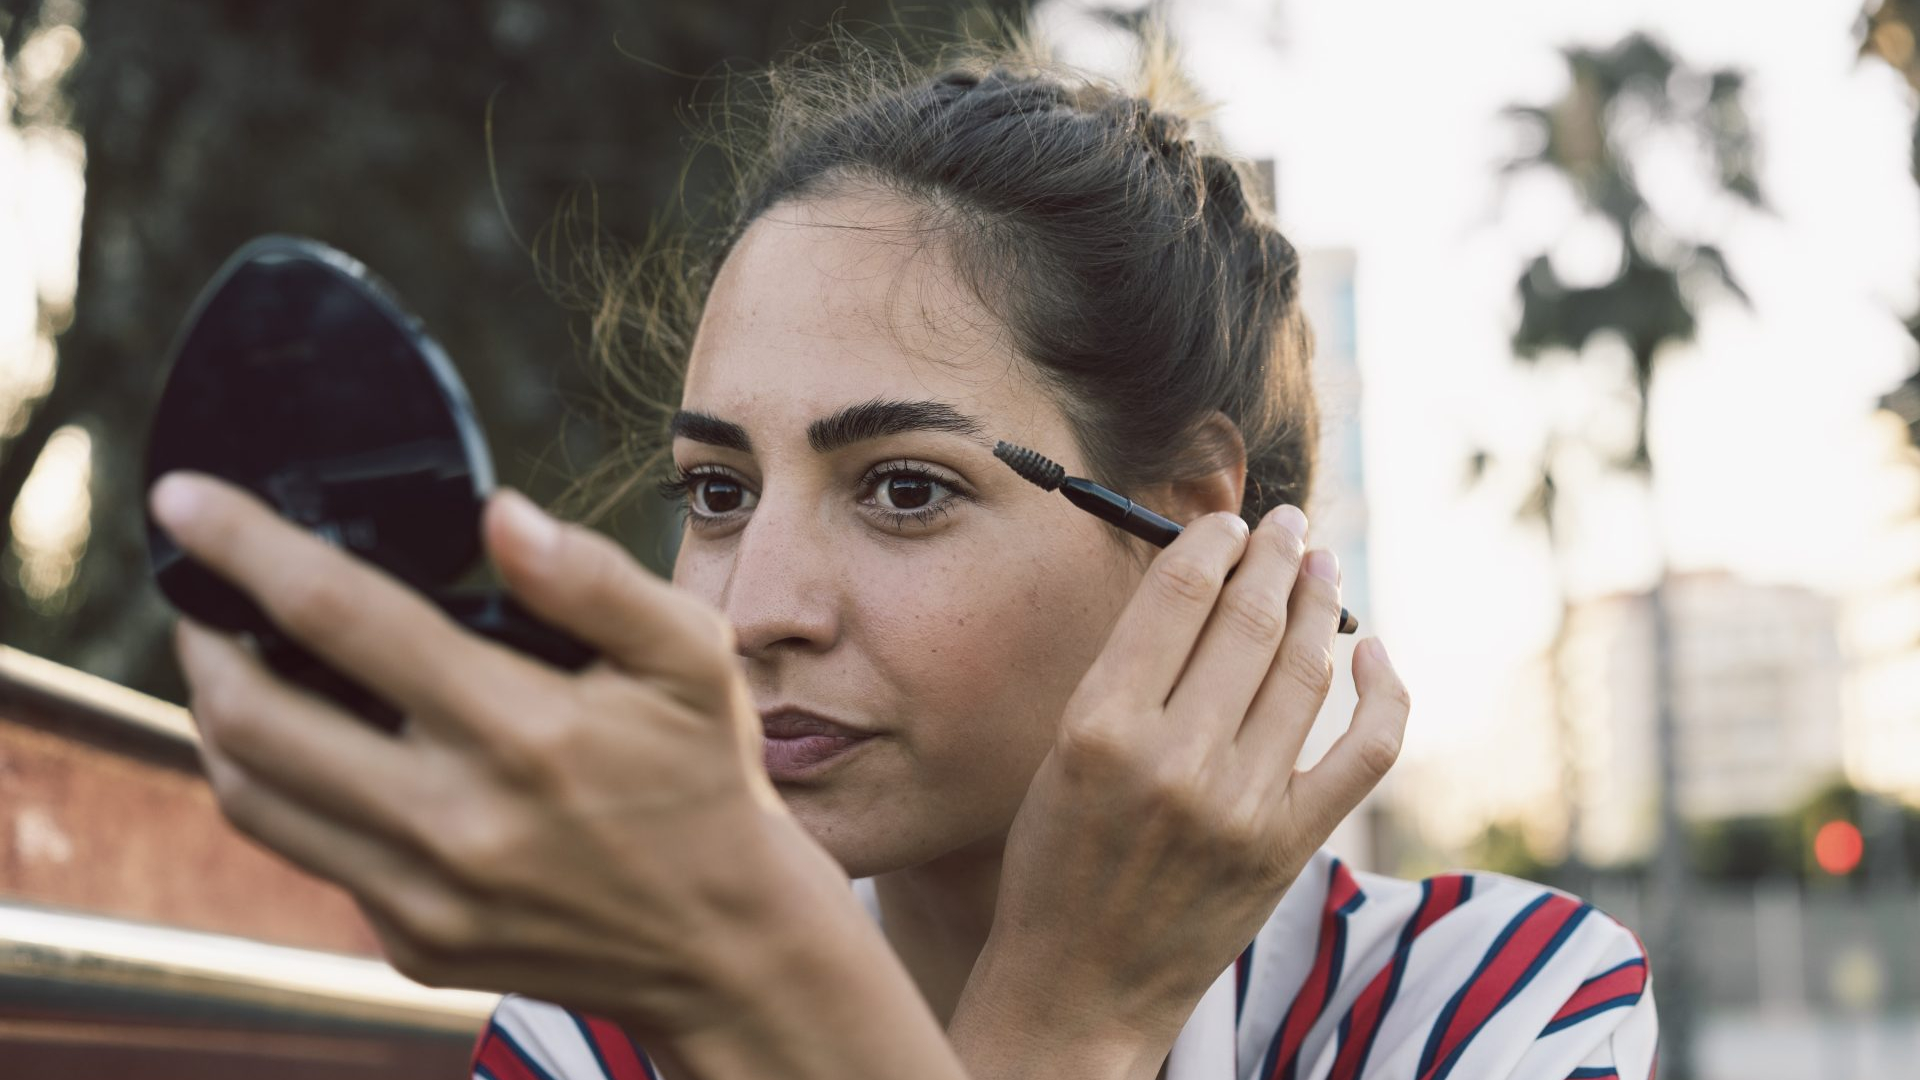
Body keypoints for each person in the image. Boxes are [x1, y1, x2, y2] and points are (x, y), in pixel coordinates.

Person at [148, 17, 1657, 1080]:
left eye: (905, 490)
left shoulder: (1480, 1012)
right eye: (719, 493)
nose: (753, 611)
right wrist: (1054, 1028)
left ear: (1199, 539)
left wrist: (1062, 1024)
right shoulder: (588, 1037)